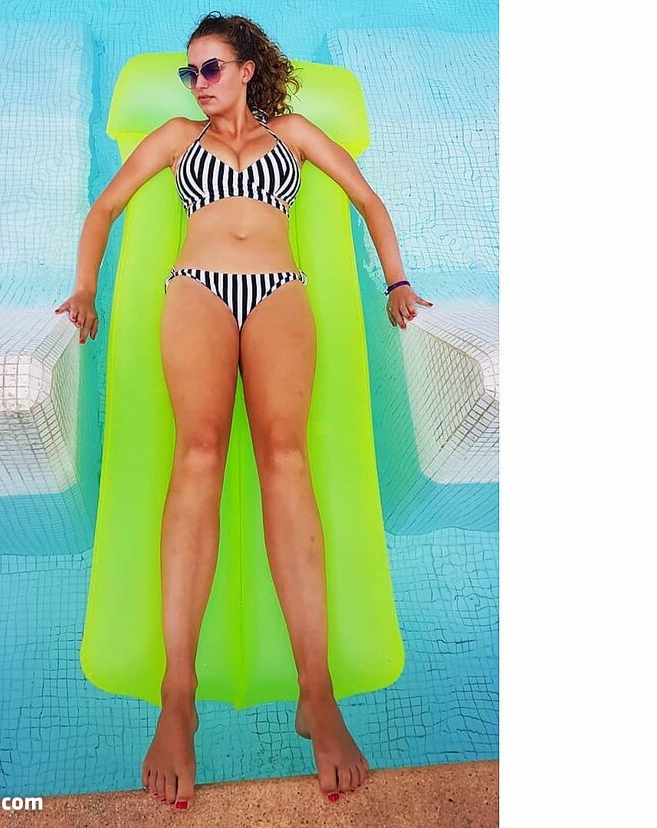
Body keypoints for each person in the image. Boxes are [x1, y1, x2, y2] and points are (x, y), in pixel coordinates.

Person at [55, 10, 432, 812]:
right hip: (196, 289)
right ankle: (178, 696)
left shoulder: (290, 134)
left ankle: (317, 692)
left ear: (247, 69)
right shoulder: (175, 139)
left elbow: (367, 199)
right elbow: (104, 209)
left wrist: (398, 281)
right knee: (197, 455)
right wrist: (84, 289)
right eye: (190, 72)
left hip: (277, 291)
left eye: (212, 68)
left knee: (286, 459)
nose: (198, 83)